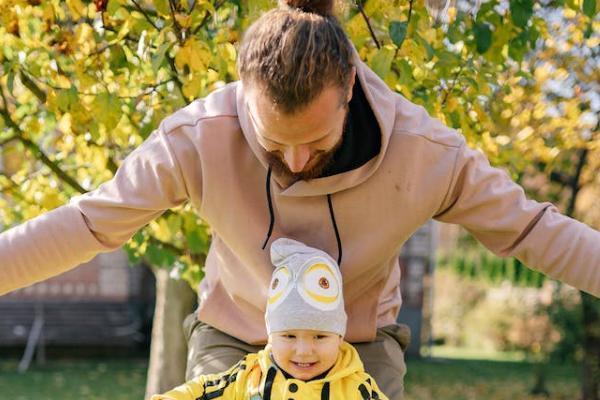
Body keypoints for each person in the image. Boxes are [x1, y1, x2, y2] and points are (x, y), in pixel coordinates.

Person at [0, 0, 598, 398]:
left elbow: (532, 228)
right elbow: (88, 224)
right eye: (271, 142)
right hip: (235, 334)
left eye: (313, 142)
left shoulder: (427, 155)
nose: (292, 164)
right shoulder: (197, 138)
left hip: (357, 343)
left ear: (350, 93)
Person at [153, 238, 388, 400]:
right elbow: (204, 389)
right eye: (289, 336)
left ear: (339, 336)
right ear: (270, 335)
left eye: (319, 336)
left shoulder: (356, 389)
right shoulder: (251, 376)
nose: (304, 350)